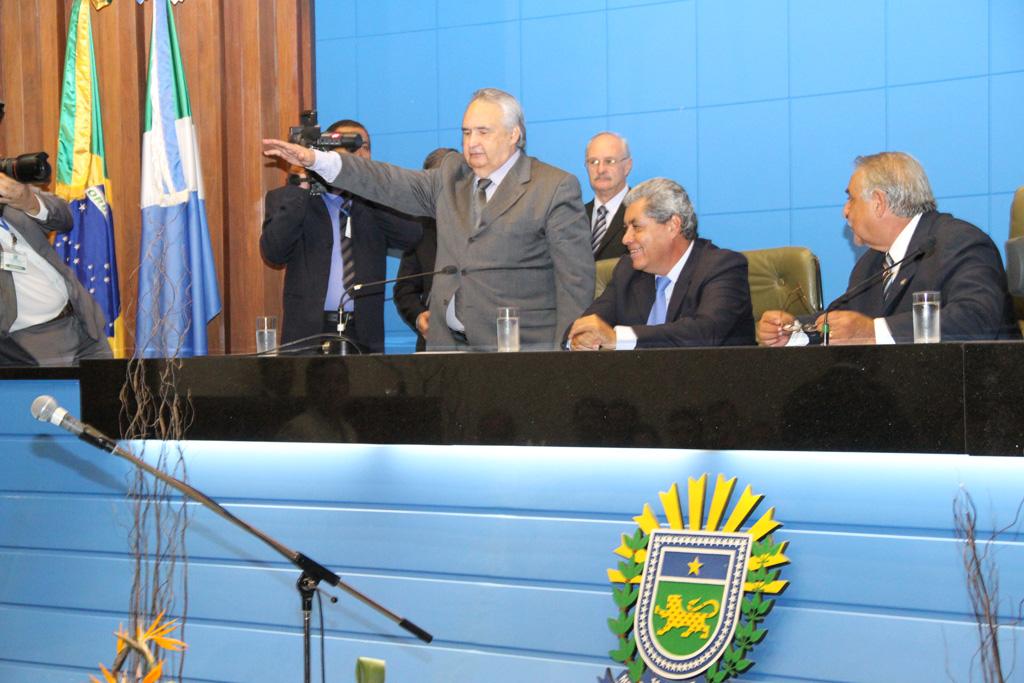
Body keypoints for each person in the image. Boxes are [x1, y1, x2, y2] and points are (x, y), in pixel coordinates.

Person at [263, 88, 595, 351]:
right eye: (466, 132)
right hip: (446, 350)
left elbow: (575, 282)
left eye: (483, 132)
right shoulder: (450, 177)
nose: (472, 143)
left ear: (513, 134)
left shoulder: (553, 187)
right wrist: (318, 160)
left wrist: (565, 350)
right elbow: (386, 180)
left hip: (519, 352)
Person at [758, 152, 1019, 345]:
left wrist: (872, 331)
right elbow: (843, 322)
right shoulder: (871, 263)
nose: (845, 211)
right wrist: (792, 331)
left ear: (879, 202)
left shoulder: (961, 242)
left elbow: (976, 319)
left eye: (851, 199)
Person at [260, 119, 422, 353]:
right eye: (349, 148)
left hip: (364, 334)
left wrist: (366, 186)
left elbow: (412, 235)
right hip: (307, 334)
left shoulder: (373, 205)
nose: (358, 154)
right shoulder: (289, 199)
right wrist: (301, 186)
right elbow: (274, 252)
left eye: (364, 147)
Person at [567, 178, 755, 350]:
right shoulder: (627, 270)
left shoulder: (722, 267)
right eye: (626, 229)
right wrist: (581, 338)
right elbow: (586, 324)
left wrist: (619, 338)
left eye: (636, 227)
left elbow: (705, 333)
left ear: (673, 225)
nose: (625, 239)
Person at [0, 167, 111, 366]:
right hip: (33, 342)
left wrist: (30, 201)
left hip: (81, 318)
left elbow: (65, 217)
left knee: (109, 385)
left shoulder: (6, 187)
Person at [392, 147, 456, 351]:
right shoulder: (419, 228)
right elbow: (405, 290)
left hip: (483, 343)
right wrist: (419, 315)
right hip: (435, 342)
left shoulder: (486, 223)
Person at [584, 132, 632, 260]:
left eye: (609, 161)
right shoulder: (574, 216)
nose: (600, 170)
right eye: (593, 162)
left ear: (627, 166)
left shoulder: (644, 213)